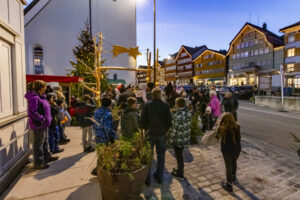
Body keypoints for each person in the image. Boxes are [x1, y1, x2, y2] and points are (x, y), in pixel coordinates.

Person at [25, 80, 58, 170]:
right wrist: (42, 119)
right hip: (39, 124)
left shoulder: (41, 97)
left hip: (44, 124)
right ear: (40, 87)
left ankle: (46, 157)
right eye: (44, 86)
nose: (45, 88)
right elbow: (32, 112)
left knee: (44, 141)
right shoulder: (34, 98)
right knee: (38, 144)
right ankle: (39, 163)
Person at [142, 88, 172, 185]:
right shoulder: (165, 105)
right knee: (161, 156)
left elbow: (143, 118)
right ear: (159, 94)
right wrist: (166, 130)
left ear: (152, 94)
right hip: (161, 133)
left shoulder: (147, 104)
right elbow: (169, 120)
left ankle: (147, 178)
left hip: (150, 133)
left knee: (148, 156)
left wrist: (146, 128)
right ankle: (159, 177)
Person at [91, 98, 117, 176]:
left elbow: (94, 124)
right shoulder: (108, 114)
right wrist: (115, 135)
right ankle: (103, 170)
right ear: (109, 105)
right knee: (107, 154)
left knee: (100, 154)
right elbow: (108, 128)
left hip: (98, 135)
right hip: (106, 137)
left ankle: (99, 168)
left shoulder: (96, 112)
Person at [217, 113, 241, 194]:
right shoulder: (237, 126)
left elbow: (217, 137)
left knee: (228, 166)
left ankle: (229, 185)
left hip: (227, 150)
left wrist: (218, 126)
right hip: (237, 149)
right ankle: (233, 177)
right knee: (234, 162)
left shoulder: (223, 128)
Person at [168, 97, 192, 180]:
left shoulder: (177, 115)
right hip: (185, 137)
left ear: (177, 104)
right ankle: (179, 169)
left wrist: (170, 141)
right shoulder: (188, 113)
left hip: (178, 138)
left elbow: (173, 130)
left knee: (179, 156)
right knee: (180, 154)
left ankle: (180, 173)